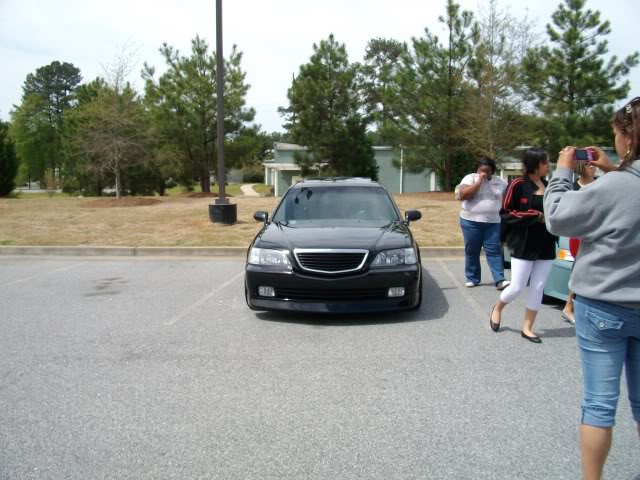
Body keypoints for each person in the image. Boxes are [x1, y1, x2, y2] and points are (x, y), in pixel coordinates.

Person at [544, 97, 640, 480]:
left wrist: (562, 172)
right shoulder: (619, 181)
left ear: (628, 137)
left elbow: (557, 216)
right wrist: (615, 168)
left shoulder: (615, 186)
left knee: (600, 405)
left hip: (604, 306)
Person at [489, 148, 556, 343]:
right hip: (524, 243)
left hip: (546, 242)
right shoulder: (517, 184)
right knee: (517, 286)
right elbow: (506, 212)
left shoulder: (548, 185)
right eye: (545, 162)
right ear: (535, 164)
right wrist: (535, 216)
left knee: (539, 286)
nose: (548, 166)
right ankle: (498, 308)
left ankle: (527, 328)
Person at [456, 157, 510, 290]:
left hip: (493, 222)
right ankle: (472, 278)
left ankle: (499, 279)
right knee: (472, 250)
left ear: (493, 170)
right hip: (471, 220)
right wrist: (479, 181)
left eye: (487, 170)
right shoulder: (470, 178)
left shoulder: (500, 182)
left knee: (494, 250)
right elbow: (463, 195)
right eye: (481, 170)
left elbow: (509, 198)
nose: (484, 173)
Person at [562, 161, 599, 324]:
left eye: (594, 165)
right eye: (588, 165)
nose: (592, 167)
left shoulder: (601, 184)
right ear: (580, 167)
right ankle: (569, 307)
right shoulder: (572, 187)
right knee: (580, 268)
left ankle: (578, 306)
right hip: (578, 234)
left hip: (598, 231)